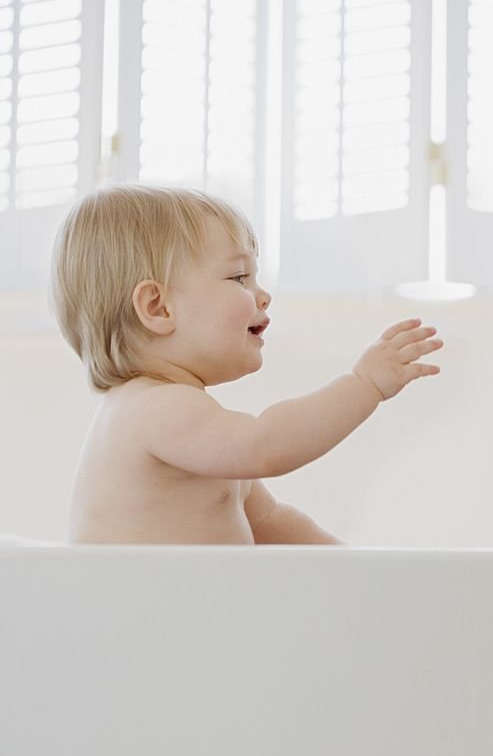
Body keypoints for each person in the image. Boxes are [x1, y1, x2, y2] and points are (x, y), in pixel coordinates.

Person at [51, 184, 442, 544]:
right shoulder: (152, 409)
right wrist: (363, 385)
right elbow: (266, 445)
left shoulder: (182, 418)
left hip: (179, 615)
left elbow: (269, 521)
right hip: (139, 617)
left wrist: (350, 566)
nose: (263, 294)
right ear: (158, 307)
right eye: (239, 277)